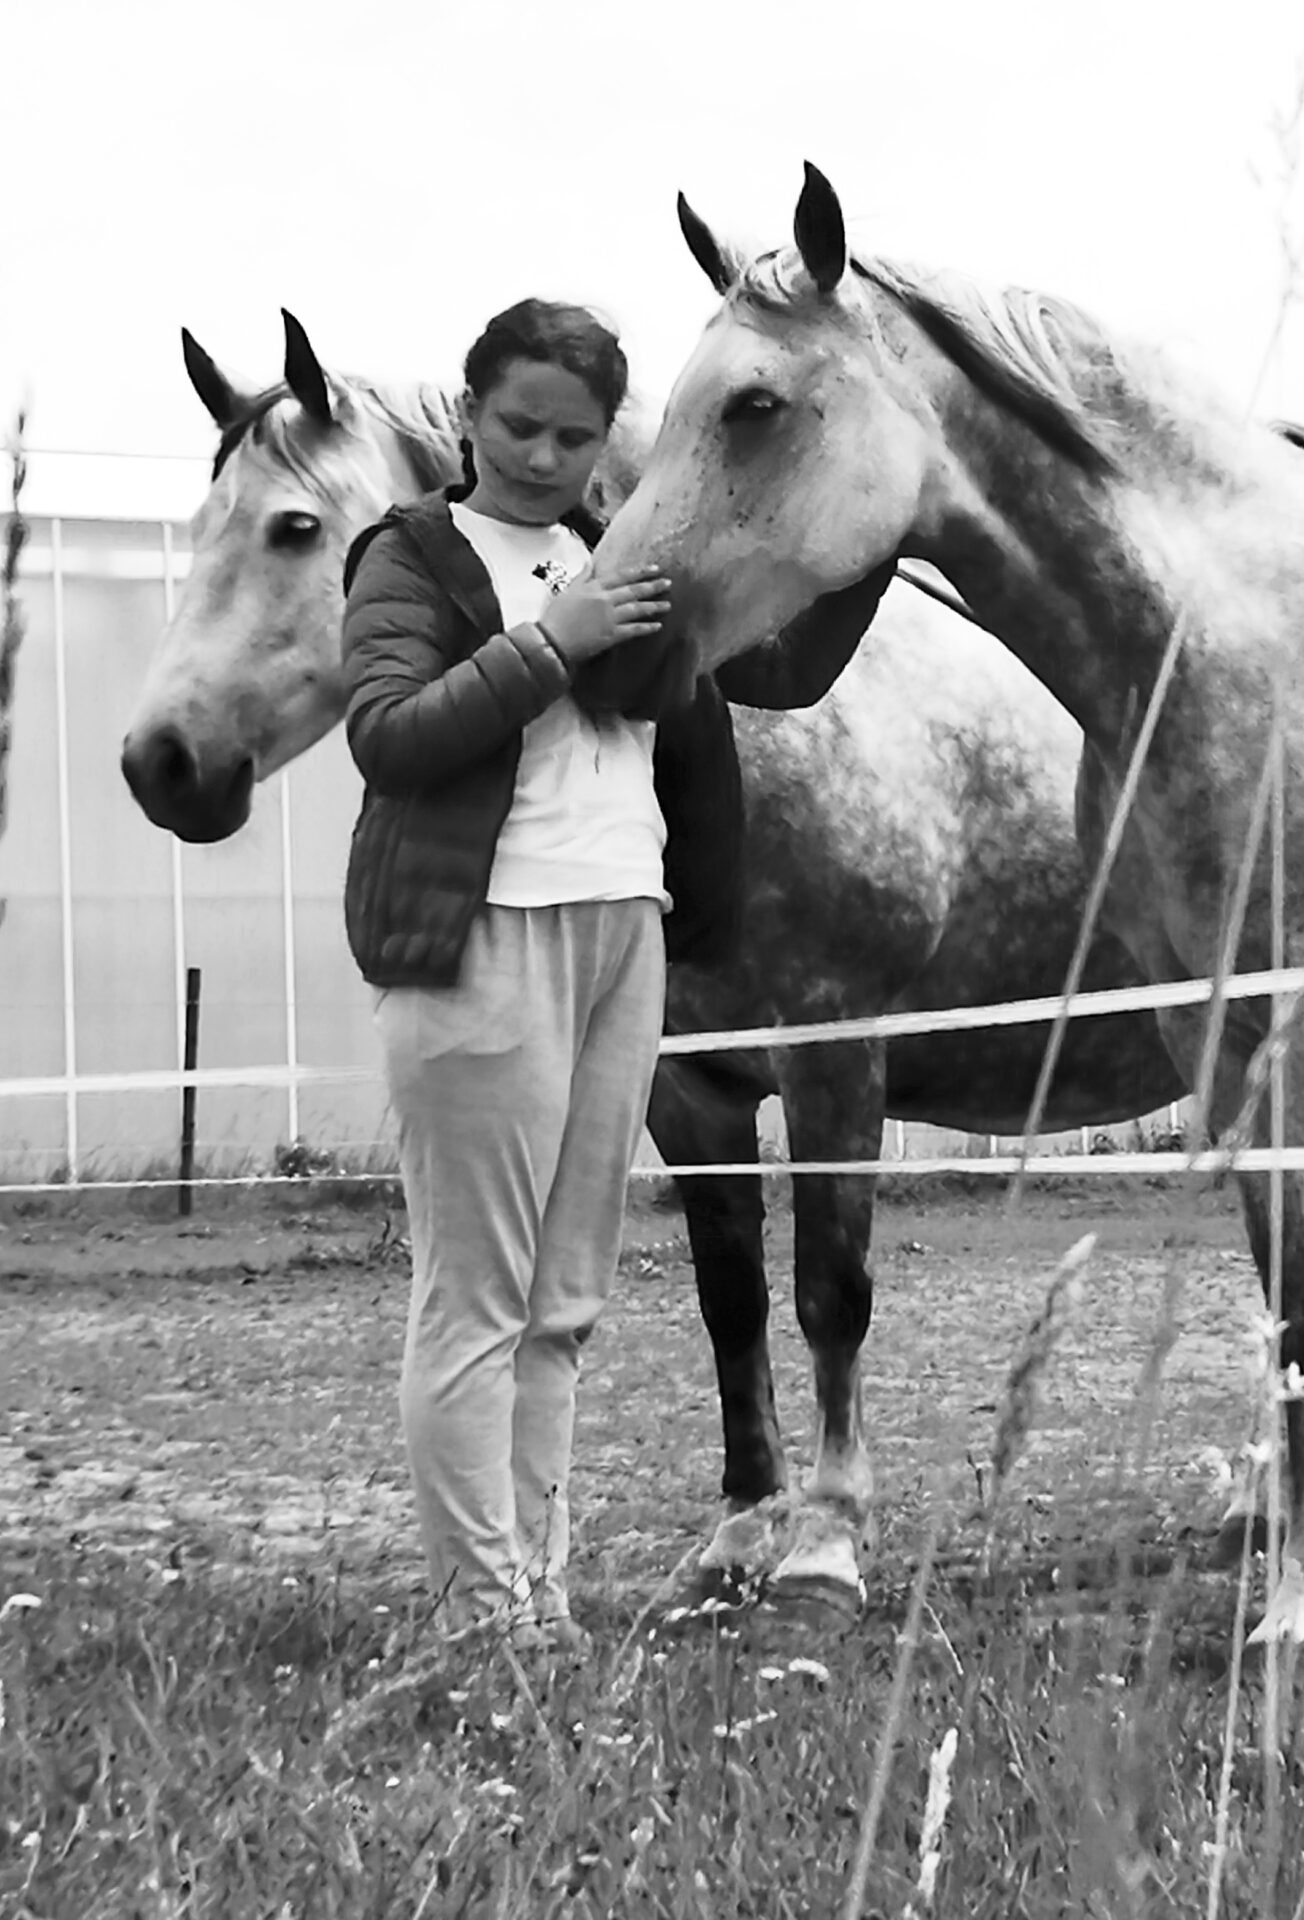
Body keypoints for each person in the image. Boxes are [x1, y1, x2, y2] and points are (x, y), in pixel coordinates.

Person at [338, 296, 891, 1656]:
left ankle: (537, 1595)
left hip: (620, 935)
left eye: (575, 437)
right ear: (471, 416)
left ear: (608, 452)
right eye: (519, 425)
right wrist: (552, 643)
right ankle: (480, 1617)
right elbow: (393, 736)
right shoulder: (407, 558)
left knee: (563, 1302)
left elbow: (753, 681)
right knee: (477, 1297)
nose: (542, 455)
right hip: (479, 940)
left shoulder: (618, 551)